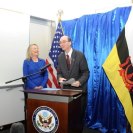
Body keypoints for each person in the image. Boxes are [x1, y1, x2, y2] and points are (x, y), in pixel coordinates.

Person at [57, 35, 90, 131]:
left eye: (63, 41)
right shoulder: (60, 57)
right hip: (66, 92)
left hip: (79, 92)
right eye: (60, 43)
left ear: (70, 42)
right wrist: (59, 78)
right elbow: (59, 72)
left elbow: (86, 72)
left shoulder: (79, 55)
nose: (61, 44)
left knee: (78, 118)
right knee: (68, 117)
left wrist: (79, 82)